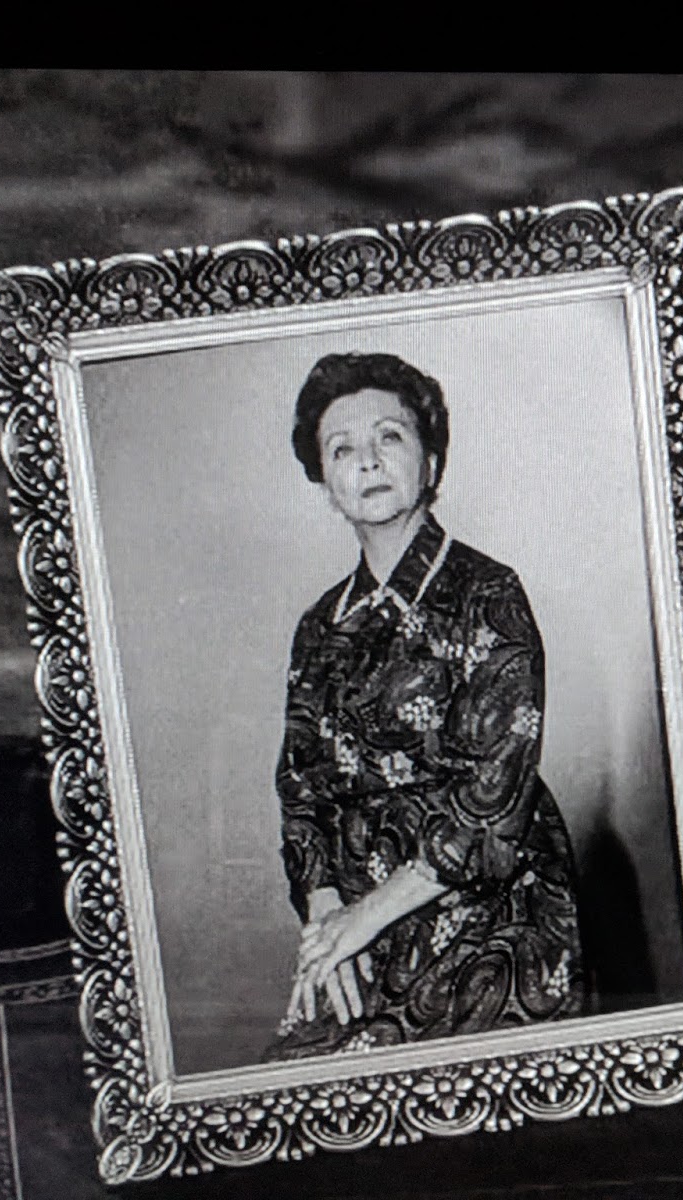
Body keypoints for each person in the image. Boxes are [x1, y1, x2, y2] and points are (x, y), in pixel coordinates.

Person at [264, 351, 586, 1061]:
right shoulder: (319, 625)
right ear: (327, 485)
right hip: (358, 914)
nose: (368, 460)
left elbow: (491, 805)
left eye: (390, 436)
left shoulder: (488, 592)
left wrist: (364, 920)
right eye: (341, 448)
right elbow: (301, 789)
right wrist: (327, 924)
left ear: (430, 462)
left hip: (488, 912)